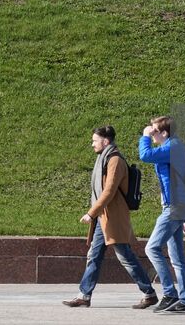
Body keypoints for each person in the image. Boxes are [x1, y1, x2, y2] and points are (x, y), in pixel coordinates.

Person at [62, 125, 159, 310]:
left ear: (105, 141)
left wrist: (91, 213)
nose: (92, 144)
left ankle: (149, 293)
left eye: (95, 141)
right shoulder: (104, 158)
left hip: (113, 217)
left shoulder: (114, 160)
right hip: (103, 217)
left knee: (125, 257)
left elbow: (109, 191)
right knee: (94, 255)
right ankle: (84, 295)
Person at [139, 115, 185, 313]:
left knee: (152, 248)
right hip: (176, 207)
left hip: (174, 206)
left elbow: (145, 155)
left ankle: (170, 294)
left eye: (155, 130)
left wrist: (145, 136)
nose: (152, 133)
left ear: (164, 133)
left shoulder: (173, 147)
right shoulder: (173, 146)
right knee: (177, 257)